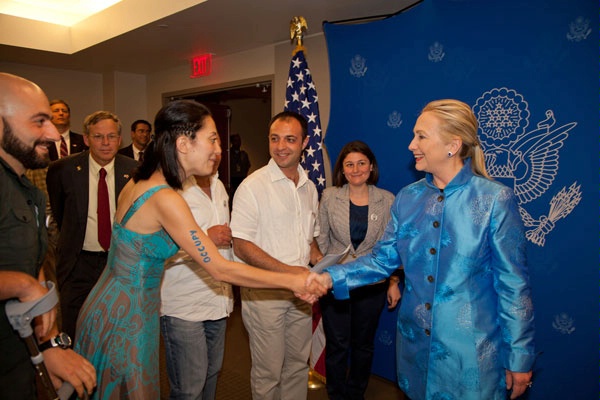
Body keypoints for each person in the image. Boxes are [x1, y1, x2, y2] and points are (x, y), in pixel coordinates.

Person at [73, 100, 326, 399]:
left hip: (114, 300)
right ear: (183, 143)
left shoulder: (142, 181)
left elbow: (148, 250)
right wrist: (293, 280)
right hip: (128, 312)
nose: (218, 149)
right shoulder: (166, 197)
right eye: (212, 139)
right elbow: (219, 267)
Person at [312, 99, 536, 400]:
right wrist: (328, 278)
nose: (410, 145)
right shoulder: (407, 198)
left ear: (452, 145)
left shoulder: (494, 200)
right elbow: (382, 259)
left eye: (420, 136)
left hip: (471, 356)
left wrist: (519, 356)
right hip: (414, 350)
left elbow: (513, 286)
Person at [0, 72, 96, 399]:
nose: (54, 134)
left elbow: (31, 261)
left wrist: (49, 343)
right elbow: (25, 280)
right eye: (39, 121)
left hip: (17, 358)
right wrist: (22, 285)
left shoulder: (24, 186)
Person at [230, 110, 322, 400]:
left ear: (305, 142)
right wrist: (289, 273)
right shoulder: (252, 187)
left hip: (301, 293)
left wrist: (328, 264)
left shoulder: (309, 188)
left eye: (290, 139)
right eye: (275, 139)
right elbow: (241, 245)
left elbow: (310, 242)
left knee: (297, 365)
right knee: (268, 371)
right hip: (265, 294)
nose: (281, 146)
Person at [316, 140, 400, 400]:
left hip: (371, 286)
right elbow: (321, 239)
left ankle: (356, 394)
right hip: (336, 282)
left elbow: (392, 246)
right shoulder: (330, 196)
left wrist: (394, 281)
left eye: (361, 163)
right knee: (337, 345)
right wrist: (322, 271)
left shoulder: (387, 199)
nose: (355, 169)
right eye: (349, 164)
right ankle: (336, 395)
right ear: (342, 168)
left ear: (371, 166)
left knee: (363, 346)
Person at [47, 111, 138, 340]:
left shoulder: (135, 170)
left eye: (111, 136)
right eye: (98, 137)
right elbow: (60, 212)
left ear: (120, 139)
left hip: (119, 262)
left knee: (116, 330)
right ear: (86, 139)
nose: (106, 143)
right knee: (75, 329)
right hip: (78, 263)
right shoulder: (62, 170)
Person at [160, 143, 234, 400]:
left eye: (217, 144)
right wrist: (206, 238)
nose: (215, 151)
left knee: (212, 374)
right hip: (184, 305)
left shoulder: (219, 185)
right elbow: (159, 248)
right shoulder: (171, 189)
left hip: (218, 300)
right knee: (189, 387)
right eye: (208, 143)